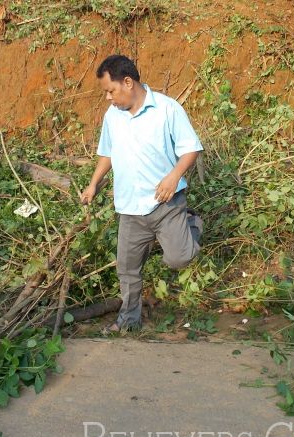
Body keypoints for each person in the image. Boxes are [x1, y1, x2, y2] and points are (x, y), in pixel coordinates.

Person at [80, 54, 204, 332]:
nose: (108, 98)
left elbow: (190, 148)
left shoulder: (166, 109)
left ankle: (192, 222)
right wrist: (93, 184)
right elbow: (107, 154)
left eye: (110, 91)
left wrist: (174, 177)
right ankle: (128, 322)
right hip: (130, 209)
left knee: (179, 258)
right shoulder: (113, 116)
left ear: (128, 82)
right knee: (127, 269)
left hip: (165, 204)